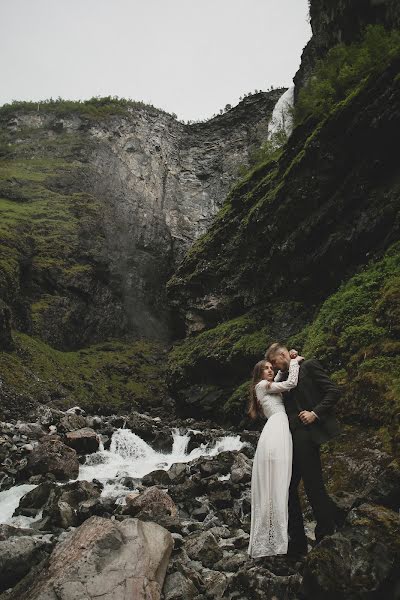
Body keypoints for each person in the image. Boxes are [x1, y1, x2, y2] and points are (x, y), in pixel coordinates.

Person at [265, 343, 341, 557]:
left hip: (307, 435)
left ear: (282, 354)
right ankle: (297, 542)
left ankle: (326, 533)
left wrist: (315, 413)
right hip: (289, 439)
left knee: (313, 484)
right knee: (287, 487)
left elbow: (333, 391)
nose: (274, 367)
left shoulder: (309, 366)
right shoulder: (283, 378)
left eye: (275, 362)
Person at [247, 354, 304, 558]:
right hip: (276, 430)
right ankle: (275, 538)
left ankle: (279, 536)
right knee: (279, 479)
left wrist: (285, 364)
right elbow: (289, 383)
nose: (270, 370)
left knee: (282, 480)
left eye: (272, 368)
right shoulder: (262, 385)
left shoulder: (267, 385)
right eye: (266, 368)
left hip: (279, 428)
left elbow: (280, 379)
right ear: (259, 373)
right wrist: (295, 363)